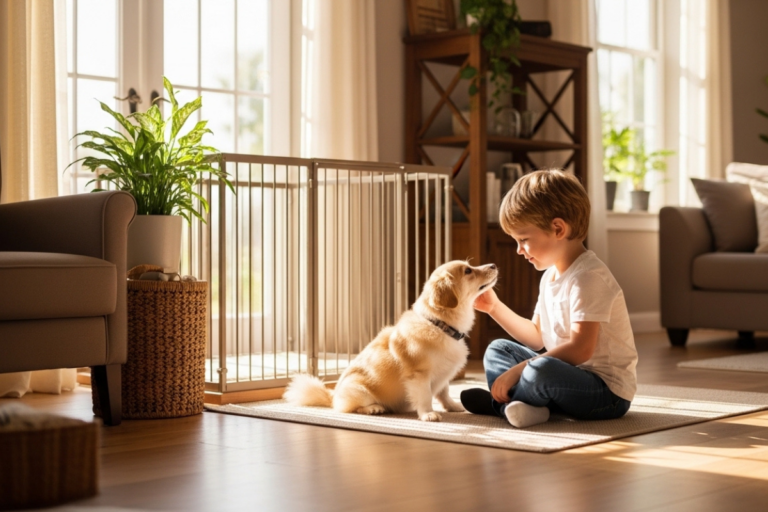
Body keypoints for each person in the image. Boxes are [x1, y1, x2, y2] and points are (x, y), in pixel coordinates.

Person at [460, 169, 638, 428]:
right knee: (499, 349)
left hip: (605, 393)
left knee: (539, 370)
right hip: (565, 379)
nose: (519, 250)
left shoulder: (588, 277)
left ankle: (501, 405)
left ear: (557, 228)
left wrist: (517, 371)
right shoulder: (551, 276)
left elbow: (580, 350)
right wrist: (494, 307)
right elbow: (536, 336)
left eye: (523, 240)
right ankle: (523, 406)